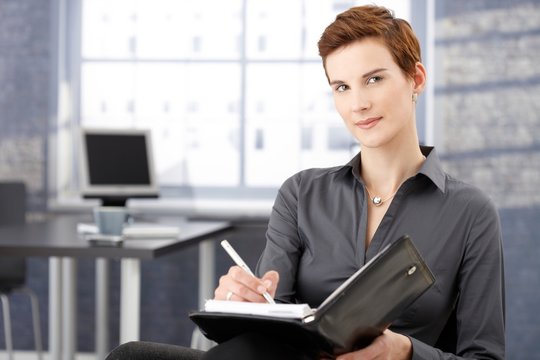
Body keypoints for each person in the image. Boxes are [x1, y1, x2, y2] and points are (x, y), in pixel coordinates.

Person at [106, 5, 505, 360]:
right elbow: (267, 316)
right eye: (342, 87)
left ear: (415, 78)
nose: (358, 104)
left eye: (374, 79)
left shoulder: (469, 213)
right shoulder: (301, 193)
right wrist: (239, 302)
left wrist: (405, 351)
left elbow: (484, 356)